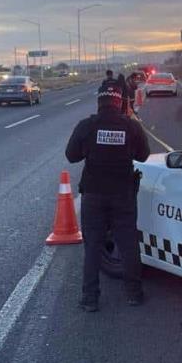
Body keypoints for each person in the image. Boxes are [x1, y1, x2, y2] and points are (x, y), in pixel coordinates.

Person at [66, 85, 151, 312]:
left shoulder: (87, 126)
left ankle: (90, 299)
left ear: (99, 102)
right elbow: (143, 155)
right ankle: (134, 294)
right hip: (123, 194)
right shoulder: (130, 126)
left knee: (92, 246)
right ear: (119, 102)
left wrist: (91, 149)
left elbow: (71, 155)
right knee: (128, 243)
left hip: (94, 194)